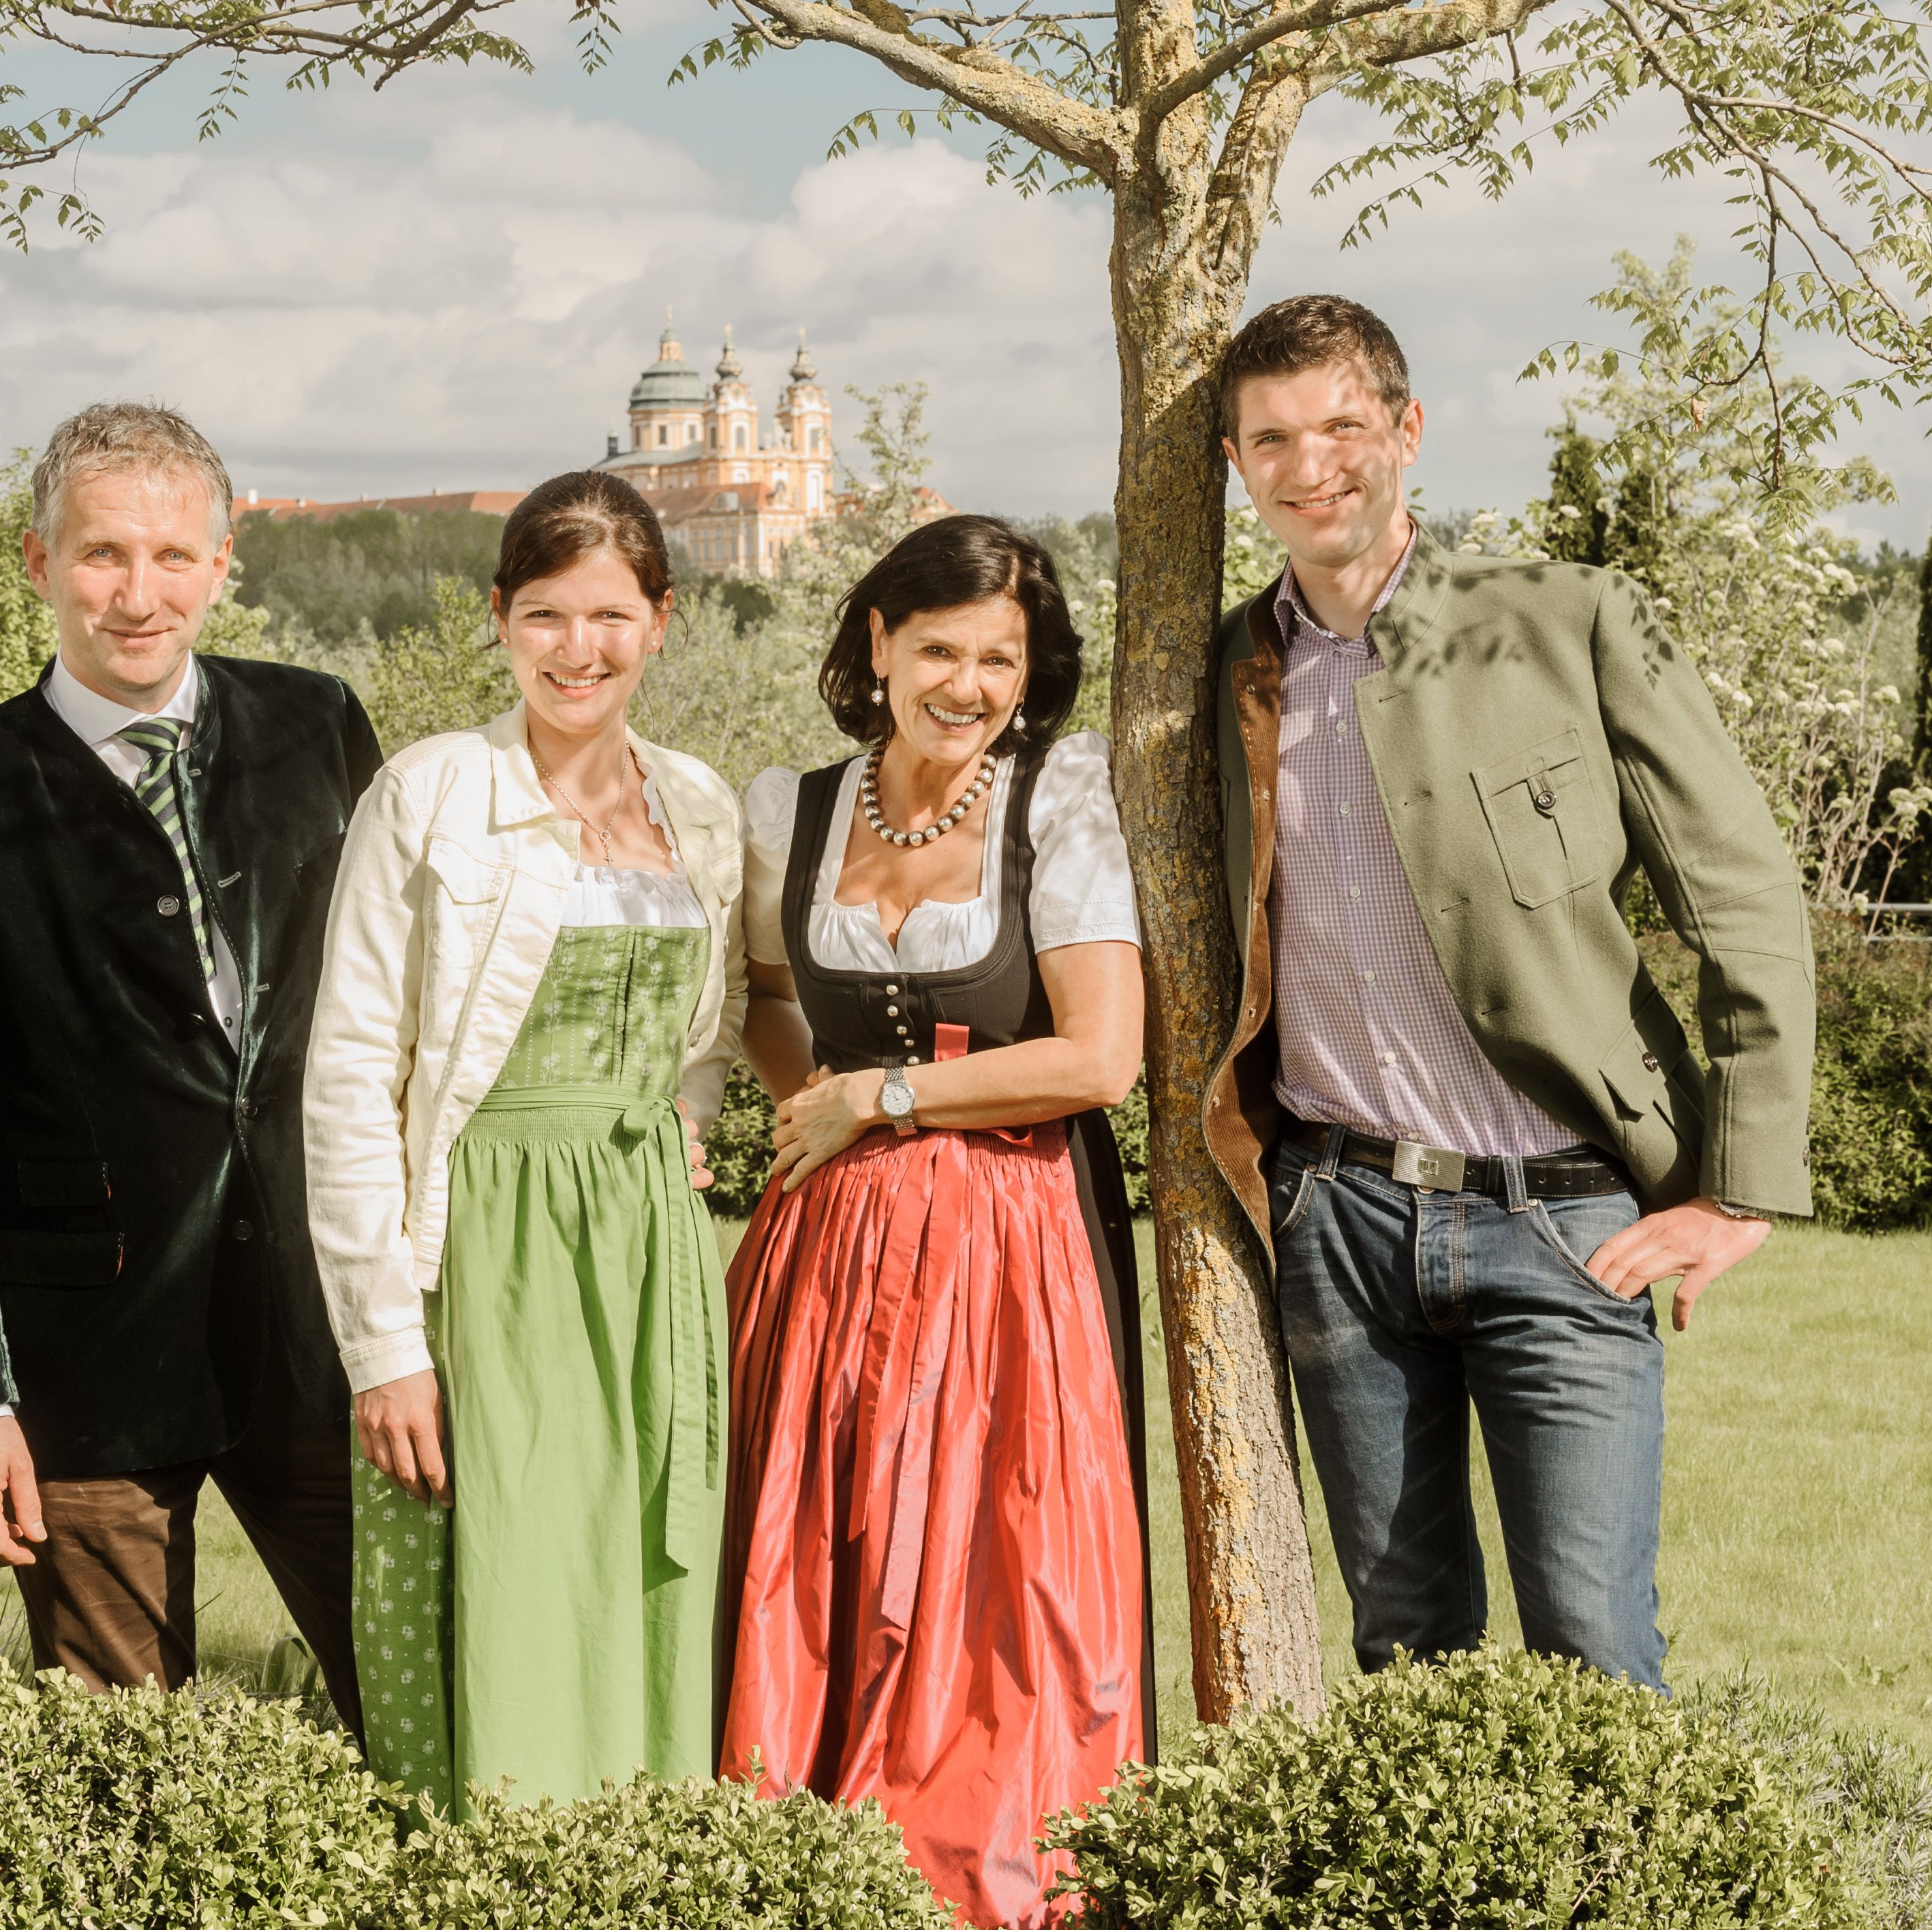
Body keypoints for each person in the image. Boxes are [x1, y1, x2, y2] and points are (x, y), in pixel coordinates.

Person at [1201, 295, 1815, 1691]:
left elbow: (1743, 899)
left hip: (1566, 1225)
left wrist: (1740, 1189)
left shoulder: (1570, 621)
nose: (1312, 467)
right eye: (1274, 440)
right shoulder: (1228, 670)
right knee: (1402, 1653)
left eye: (1342, 428)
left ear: (1406, 432)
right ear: (1241, 465)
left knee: (1595, 1653)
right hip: (1337, 1221)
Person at [0, 401, 380, 1734]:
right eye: (101, 556)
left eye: (169, 557)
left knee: (425, 1705)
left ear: (222, 562)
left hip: (328, 1326)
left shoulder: (319, 729)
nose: (136, 596)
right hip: (84, 1357)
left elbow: (402, 1024)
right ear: (39, 563)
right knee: (119, 1759)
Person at [718, 514, 1152, 1930]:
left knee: (989, 1561)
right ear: (877, 647)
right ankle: (801, 1850)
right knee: (814, 1544)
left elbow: (1099, 1061)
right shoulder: (795, 806)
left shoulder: (1058, 802)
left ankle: (974, 1876)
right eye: (939, 649)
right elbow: (767, 994)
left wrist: (884, 1096)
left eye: (998, 659)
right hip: (830, 1250)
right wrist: (815, 1107)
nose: (966, 684)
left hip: (1012, 1251)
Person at [303, 470, 748, 1816]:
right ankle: (498, 1872)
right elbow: (348, 1075)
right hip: (485, 1243)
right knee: (509, 1574)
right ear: (499, 619)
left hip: (643, 1249)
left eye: (609, 615)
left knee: (634, 1577)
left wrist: (683, 1124)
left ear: (661, 622)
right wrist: (384, 1345)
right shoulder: (432, 792)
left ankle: (642, 1870)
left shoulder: (701, 807)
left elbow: (704, 1039)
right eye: (545, 614)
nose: (579, 648)